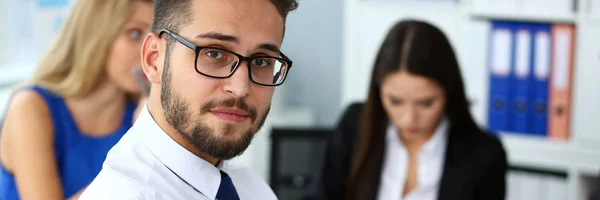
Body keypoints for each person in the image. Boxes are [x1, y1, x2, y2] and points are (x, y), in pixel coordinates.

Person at [78, 0, 298, 199]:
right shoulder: (124, 194)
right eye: (214, 53)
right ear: (154, 60)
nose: (240, 88)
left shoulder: (252, 189)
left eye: (261, 62)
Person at [305, 20, 508, 200]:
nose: (409, 119)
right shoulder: (354, 124)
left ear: (449, 92)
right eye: (395, 101)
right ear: (378, 92)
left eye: (426, 103)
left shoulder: (485, 154)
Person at [0, 0, 153, 200]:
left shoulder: (142, 113)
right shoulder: (30, 108)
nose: (149, 51)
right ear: (94, 34)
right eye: (134, 34)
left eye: (155, 37)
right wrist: (137, 153)